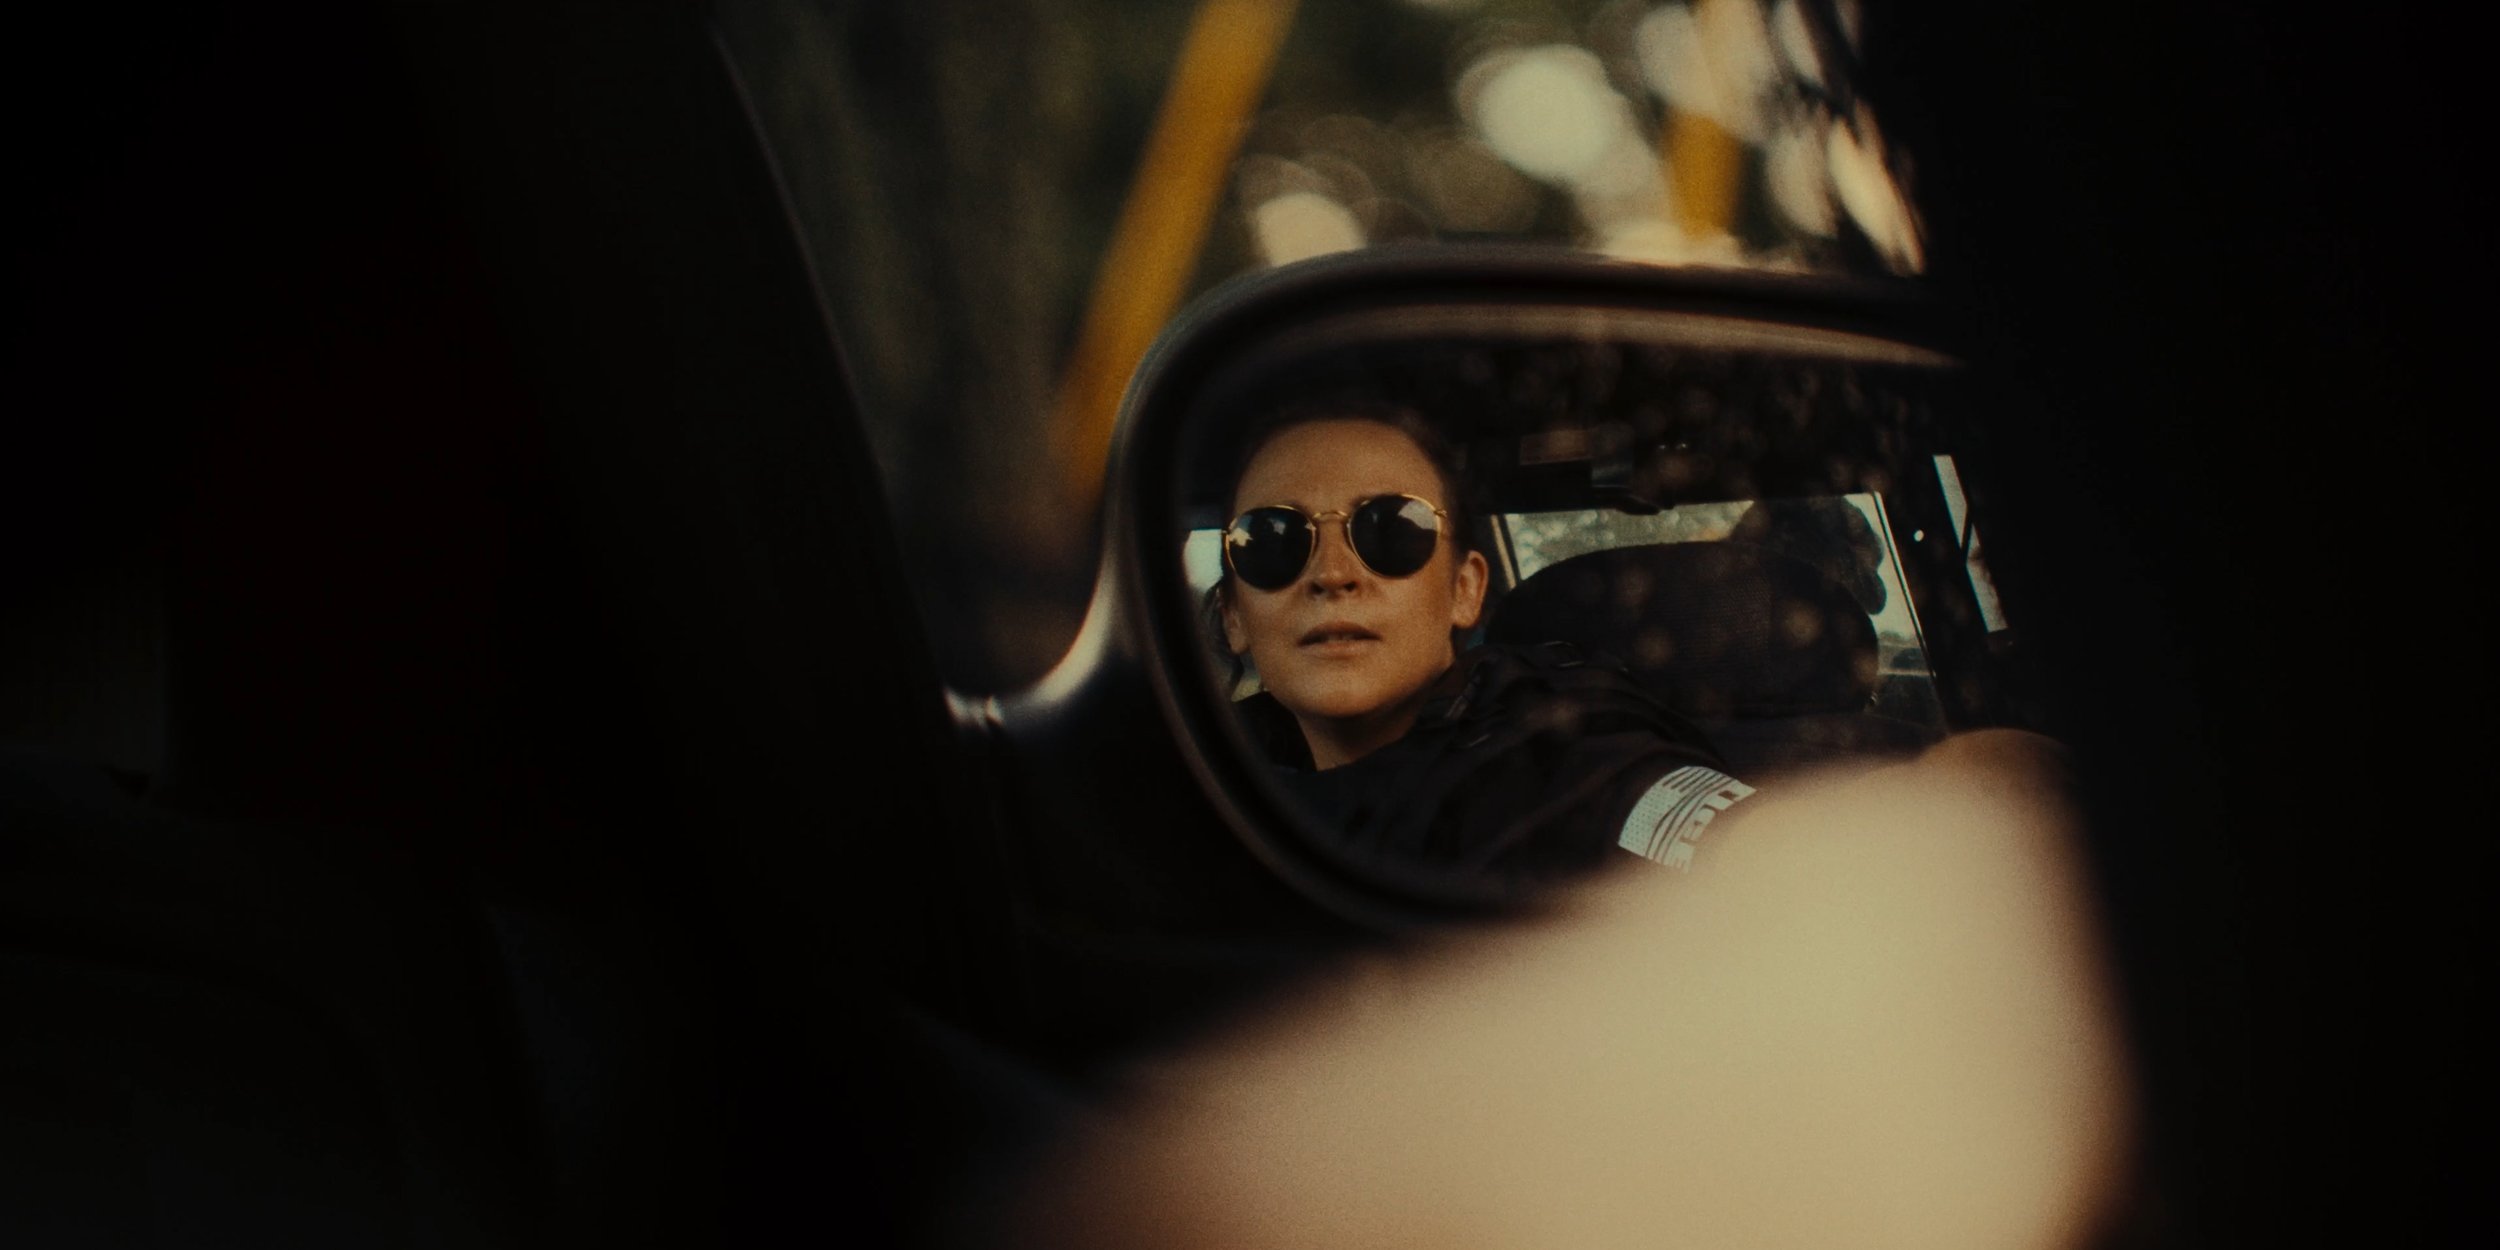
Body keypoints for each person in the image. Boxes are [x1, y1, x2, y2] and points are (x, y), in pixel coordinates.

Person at [1206, 403, 1756, 884]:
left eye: (1392, 529)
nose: (1332, 573)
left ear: (1464, 591)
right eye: (1271, 539)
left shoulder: (1561, 757)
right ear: (1233, 617)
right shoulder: (1191, 777)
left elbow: (1754, 868)